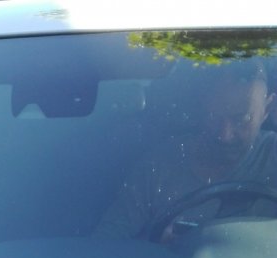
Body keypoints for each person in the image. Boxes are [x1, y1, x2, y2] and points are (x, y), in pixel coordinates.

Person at [97, 60, 277, 239]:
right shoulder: (158, 167)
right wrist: (154, 247)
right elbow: (107, 244)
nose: (225, 134)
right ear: (201, 108)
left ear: (267, 109)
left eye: (242, 119)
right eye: (213, 117)